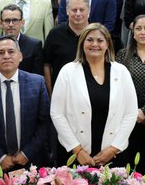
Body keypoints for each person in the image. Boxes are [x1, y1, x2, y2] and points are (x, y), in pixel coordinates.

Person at [51, 24, 138, 166]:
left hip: (113, 155)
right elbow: (57, 113)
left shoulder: (121, 72)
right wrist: (78, 150)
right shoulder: (68, 71)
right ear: (82, 43)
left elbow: (130, 113)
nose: (94, 44)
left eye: (100, 40)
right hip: (75, 155)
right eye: (89, 40)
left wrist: (113, 149)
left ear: (107, 44)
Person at [0, 36, 52, 176]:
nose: (6, 56)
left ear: (20, 56)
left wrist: (26, 153)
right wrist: (0, 157)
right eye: (1, 53)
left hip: (31, 161)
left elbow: (45, 122)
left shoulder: (37, 83)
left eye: (11, 51)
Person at [117, 14, 145, 175]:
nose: (142, 32)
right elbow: (117, 86)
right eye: (138, 28)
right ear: (133, 32)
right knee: (128, 162)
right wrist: (133, 112)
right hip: (127, 116)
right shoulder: (122, 55)